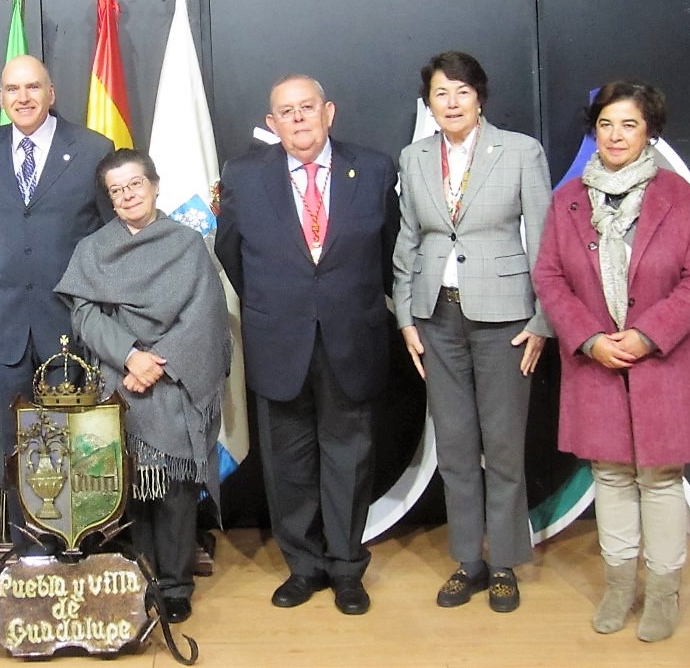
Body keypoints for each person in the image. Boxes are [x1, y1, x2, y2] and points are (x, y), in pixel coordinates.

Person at [533, 81, 690, 642]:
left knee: (660, 480)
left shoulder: (679, 198)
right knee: (610, 475)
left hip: (664, 363)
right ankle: (619, 586)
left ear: (649, 131)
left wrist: (645, 335)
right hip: (597, 364)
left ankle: (662, 593)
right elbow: (550, 277)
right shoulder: (567, 202)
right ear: (594, 131)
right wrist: (590, 338)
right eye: (606, 124)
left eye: (629, 125)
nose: (615, 135)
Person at [215, 75, 398, 616]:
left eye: (307, 107)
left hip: (352, 339)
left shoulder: (375, 168)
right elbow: (231, 256)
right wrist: (282, 304)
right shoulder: (244, 177)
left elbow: (390, 252)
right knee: (288, 463)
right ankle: (304, 567)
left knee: (349, 459)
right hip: (279, 341)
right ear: (272, 123)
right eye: (285, 112)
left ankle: (346, 568)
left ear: (329, 112)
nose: (298, 119)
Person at [392, 50, 552, 612]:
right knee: (455, 447)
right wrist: (406, 316)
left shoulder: (520, 151)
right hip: (437, 317)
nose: (452, 102)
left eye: (462, 91)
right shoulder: (414, 158)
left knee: (503, 446)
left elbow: (548, 238)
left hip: (506, 319)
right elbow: (408, 240)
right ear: (428, 103)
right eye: (441, 93)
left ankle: (505, 561)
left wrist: (542, 319)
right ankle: (469, 560)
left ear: (479, 96)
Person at [54, 149, 230, 624]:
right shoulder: (94, 249)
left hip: (174, 381)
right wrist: (131, 355)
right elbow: (84, 314)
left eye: (135, 184)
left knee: (172, 488)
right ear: (110, 199)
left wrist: (158, 365)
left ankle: (174, 585)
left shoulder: (187, 243)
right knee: (126, 487)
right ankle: (135, 576)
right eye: (117, 190)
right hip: (119, 379)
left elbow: (206, 316)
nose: (128, 195)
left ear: (154, 185)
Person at [0, 54, 113, 548]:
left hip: (67, 321)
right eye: (12, 89)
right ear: (1, 98)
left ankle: (74, 547)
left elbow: (107, 236)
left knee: (70, 436)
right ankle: (23, 550)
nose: (23, 98)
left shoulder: (94, 148)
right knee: (13, 439)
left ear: (51, 94)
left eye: (33, 87)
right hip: (5, 319)